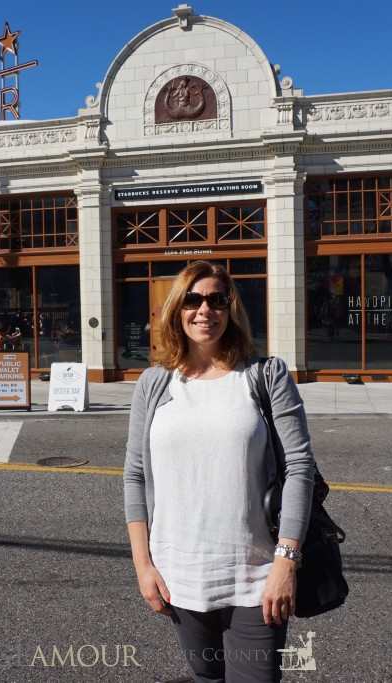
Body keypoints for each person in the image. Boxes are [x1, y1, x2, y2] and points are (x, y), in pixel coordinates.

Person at [123, 261, 316, 682]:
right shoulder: (154, 384)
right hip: (180, 578)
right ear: (176, 310)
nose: (204, 310)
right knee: (207, 677)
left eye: (216, 300)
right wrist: (143, 567)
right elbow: (135, 476)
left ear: (232, 310)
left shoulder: (266, 376)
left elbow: (300, 469)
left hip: (256, 579)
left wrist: (286, 564)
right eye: (192, 299)